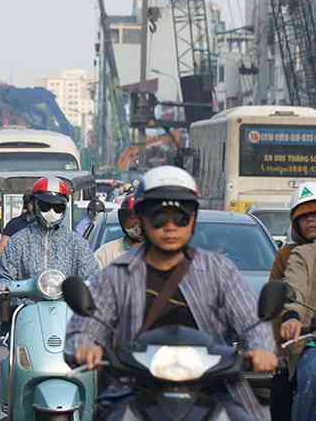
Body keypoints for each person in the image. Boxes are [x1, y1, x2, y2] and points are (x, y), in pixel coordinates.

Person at [65, 166, 277, 421]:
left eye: (180, 217)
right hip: (131, 388)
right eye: (158, 217)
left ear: (193, 220)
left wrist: (262, 349)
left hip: (213, 388)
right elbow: (86, 324)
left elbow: (252, 320)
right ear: (141, 219)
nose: (169, 227)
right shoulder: (115, 274)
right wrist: (84, 346)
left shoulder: (219, 271)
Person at [0, 176, 100, 288]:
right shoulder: (18, 242)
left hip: (67, 304)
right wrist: (5, 288)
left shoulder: (77, 244)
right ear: (35, 205)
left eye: (58, 207)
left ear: (65, 208)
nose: (51, 211)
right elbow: (1, 279)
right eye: (45, 206)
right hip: (26, 304)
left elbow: (92, 278)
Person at [277, 182, 316, 421]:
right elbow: (294, 291)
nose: (311, 221)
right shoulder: (301, 256)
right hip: (310, 341)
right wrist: (292, 317)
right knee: (312, 376)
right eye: (305, 216)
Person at [94, 194, 143, 269]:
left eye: (142, 217)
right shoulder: (104, 254)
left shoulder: (162, 252)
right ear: (123, 220)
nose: (138, 222)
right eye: (132, 217)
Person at [0, 190, 35, 257]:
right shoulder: (14, 224)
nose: (36, 206)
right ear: (26, 204)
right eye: (32, 203)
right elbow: (1, 248)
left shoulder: (46, 224)